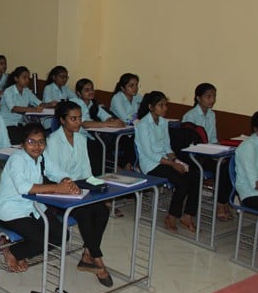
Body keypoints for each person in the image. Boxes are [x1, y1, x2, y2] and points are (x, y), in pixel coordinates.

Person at [44, 101, 113, 287]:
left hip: (79, 186)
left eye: (80, 118)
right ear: (62, 120)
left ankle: (87, 254)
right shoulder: (52, 141)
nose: (78, 122)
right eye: (73, 118)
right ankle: (97, 259)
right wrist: (67, 180)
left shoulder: (81, 139)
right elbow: (51, 171)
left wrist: (96, 184)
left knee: (102, 210)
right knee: (83, 212)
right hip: (59, 188)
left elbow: (86, 170)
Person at [0, 122, 77, 273]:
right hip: (12, 210)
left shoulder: (42, 157)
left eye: (41, 142)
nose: (37, 146)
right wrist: (57, 188)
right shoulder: (17, 159)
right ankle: (13, 251)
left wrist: (65, 180)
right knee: (41, 241)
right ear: (22, 144)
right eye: (31, 142)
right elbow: (23, 188)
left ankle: (21, 250)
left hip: (35, 207)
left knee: (61, 236)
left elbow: (56, 172)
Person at [134, 91, 200, 233]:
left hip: (165, 160)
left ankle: (188, 215)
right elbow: (149, 153)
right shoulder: (143, 125)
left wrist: (176, 160)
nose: (165, 108)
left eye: (166, 105)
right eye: (161, 105)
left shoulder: (163, 122)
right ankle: (172, 216)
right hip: (151, 164)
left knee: (195, 175)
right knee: (181, 182)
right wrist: (173, 164)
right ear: (151, 107)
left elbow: (167, 146)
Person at [182, 83, 233, 220]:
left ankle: (222, 202)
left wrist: (217, 149)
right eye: (208, 96)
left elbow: (213, 138)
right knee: (219, 169)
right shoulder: (190, 116)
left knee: (229, 166)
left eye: (214, 96)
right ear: (198, 98)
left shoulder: (211, 115)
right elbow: (188, 145)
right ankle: (221, 204)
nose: (212, 100)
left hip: (209, 154)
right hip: (194, 156)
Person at [72, 78, 126, 175]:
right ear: (79, 93)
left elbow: (106, 117)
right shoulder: (75, 103)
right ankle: (102, 174)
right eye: (86, 90)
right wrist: (108, 124)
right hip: (77, 136)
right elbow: (83, 123)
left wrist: (114, 121)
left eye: (92, 89)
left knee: (121, 140)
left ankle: (114, 170)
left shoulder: (94, 104)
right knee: (98, 145)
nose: (91, 92)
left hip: (92, 136)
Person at [0, 66, 47, 144]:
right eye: (24, 78)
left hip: (20, 123)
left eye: (28, 78)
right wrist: (34, 110)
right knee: (21, 140)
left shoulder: (27, 91)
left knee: (35, 134)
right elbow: (14, 108)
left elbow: (39, 103)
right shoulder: (9, 91)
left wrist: (51, 104)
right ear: (16, 78)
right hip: (7, 123)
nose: (27, 80)